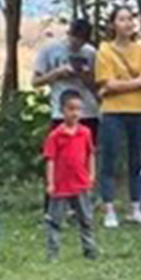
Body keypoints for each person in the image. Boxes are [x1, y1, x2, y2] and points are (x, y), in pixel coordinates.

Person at [95, 6, 141, 228]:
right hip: (113, 111)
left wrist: (119, 85)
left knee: (138, 159)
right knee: (110, 159)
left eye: (130, 19)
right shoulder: (105, 51)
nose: (127, 24)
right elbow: (106, 83)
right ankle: (109, 208)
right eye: (121, 19)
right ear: (112, 24)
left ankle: (136, 207)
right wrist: (137, 83)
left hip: (140, 110)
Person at [44, 90, 98, 262]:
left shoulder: (85, 133)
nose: (75, 113)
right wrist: (50, 183)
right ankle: (53, 253)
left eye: (78, 109)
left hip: (81, 183)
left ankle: (90, 250)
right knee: (55, 221)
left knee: (86, 219)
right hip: (61, 185)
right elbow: (50, 160)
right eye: (71, 109)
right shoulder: (55, 136)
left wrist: (91, 174)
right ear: (62, 110)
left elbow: (90, 154)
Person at [33, 19, 99, 135]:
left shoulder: (90, 52)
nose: (77, 43)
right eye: (74, 38)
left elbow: (96, 86)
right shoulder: (50, 49)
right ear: (69, 33)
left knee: (87, 151)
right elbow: (35, 81)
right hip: (61, 112)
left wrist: (84, 76)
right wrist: (57, 73)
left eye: (81, 41)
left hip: (88, 112)